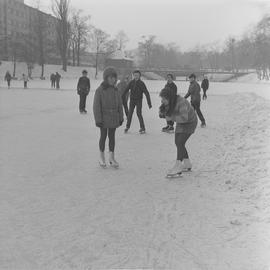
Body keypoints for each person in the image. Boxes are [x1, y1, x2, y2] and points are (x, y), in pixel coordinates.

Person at [159, 87, 198, 177]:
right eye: (162, 99)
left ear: (170, 97)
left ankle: (178, 166)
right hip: (181, 122)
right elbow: (166, 110)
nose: (162, 101)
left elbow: (184, 118)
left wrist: (171, 118)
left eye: (164, 99)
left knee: (180, 142)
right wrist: (162, 113)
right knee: (178, 142)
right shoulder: (170, 101)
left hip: (190, 122)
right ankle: (187, 164)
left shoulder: (182, 102)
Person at [93, 67, 124, 168]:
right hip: (104, 118)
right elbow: (96, 106)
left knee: (112, 137)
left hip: (114, 117)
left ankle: (111, 157)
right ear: (106, 78)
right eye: (110, 78)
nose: (112, 80)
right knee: (103, 136)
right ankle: (101, 157)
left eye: (114, 78)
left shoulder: (116, 90)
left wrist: (121, 117)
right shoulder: (100, 90)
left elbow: (120, 104)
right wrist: (98, 119)